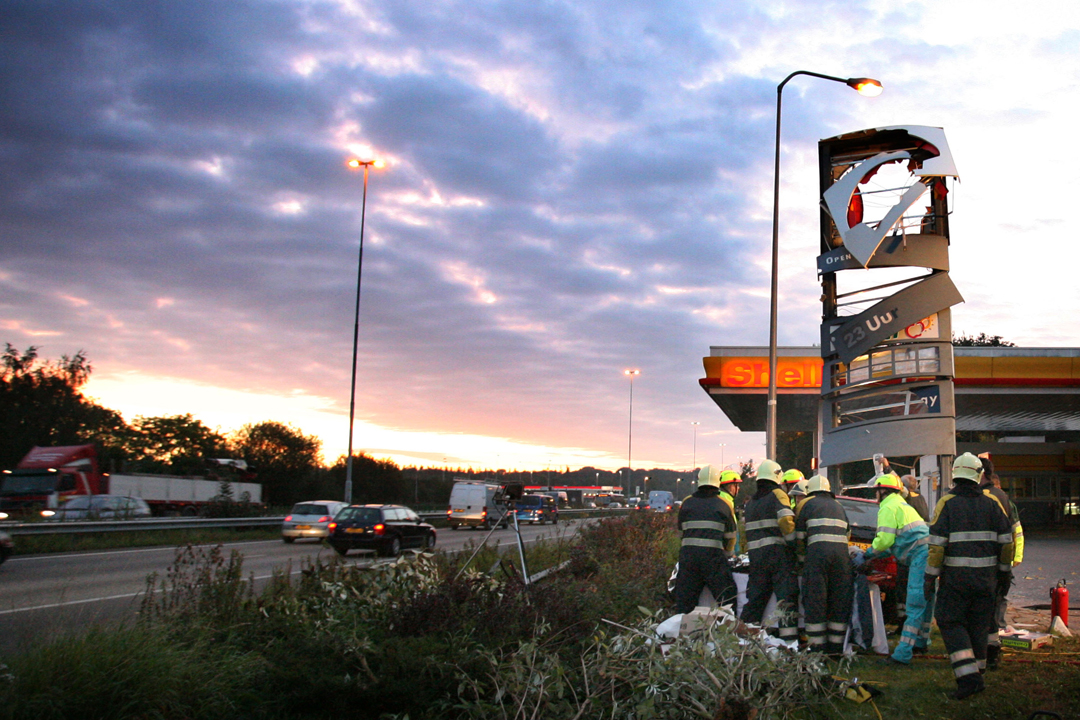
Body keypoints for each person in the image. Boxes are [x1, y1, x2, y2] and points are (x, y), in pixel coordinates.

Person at [926, 453, 1015, 700]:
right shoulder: (993, 504)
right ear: (978, 475)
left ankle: (969, 680)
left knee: (950, 621)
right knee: (979, 625)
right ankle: (978, 672)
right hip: (987, 580)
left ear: (955, 474)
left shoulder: (946, 504)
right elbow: (1007, 543)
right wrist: (1004, 574)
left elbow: (936, 547)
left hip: (955, 581)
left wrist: (929, 577)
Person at [862, 471, 933, 665]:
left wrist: (867, 554)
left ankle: (903, 654)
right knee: (926, 599)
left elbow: (884, 541)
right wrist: (875, 555)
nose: (875, 495)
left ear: (883, 491)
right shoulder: (900, 504)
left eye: (876, 491)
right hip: (929, 553)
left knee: (915, 603)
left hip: (920, 555)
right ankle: (921, 642)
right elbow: (893, 543)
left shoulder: (888, 507)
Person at [740, 459, 799, 642]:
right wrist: (793, 544)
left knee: (756, 598)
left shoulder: (751, 502)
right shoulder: (778, 494)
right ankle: (789, 642)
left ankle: (744, 638)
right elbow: (785, 521)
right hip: (777, 554)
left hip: (756, 557)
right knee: (786, 597)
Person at [794, 474, 853, 655]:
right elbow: (847, 534)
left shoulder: (807, 505)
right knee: (839, 601)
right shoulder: (839, 506)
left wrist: (802, 561)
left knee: (815, 601)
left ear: (810, 491)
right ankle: (836, 648)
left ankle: (816, 649)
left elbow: (799, 538)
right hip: (842, 561)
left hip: (817, 559)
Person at [978, 459, 1025, 670]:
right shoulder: (1004, 499)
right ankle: (992, 650)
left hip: (983, 566)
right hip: (999, 564)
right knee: (995, 605)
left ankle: (983, 650)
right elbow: (1016, 532)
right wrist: (1012, 559)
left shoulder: (976, 497)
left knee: (987, 607)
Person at [674, 464, 739, 614]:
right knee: (727, 598)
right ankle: (726, 626)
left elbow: (681, 530)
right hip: (713, 560)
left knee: (685, 602)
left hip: (688, 558)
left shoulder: (686, 502)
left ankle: (683, 627)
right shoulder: (724, 504)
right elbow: (731, 536)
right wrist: (728, 556)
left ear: (699, 481)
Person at [718, 470, 743, 554]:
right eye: (737, 485)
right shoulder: (725, 501)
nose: (738, 488)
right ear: (730, 486)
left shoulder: (723, 499)